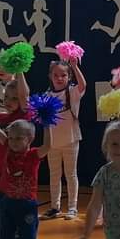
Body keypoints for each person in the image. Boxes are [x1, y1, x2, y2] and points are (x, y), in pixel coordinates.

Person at [0, 83, 29, 239]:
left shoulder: (22, 117)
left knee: (16, 209)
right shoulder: (0, 118)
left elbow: (5, 140)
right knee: (3, 209)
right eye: (6, 97)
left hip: (15, 171)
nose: (9, 101)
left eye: (14, 98)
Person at [43, 57, 86, 219]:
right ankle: (55, 207)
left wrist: (74, 66)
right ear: (50, 76)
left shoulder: (72, 92)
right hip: (52, 143)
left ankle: (72, 207)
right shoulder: (46, 96)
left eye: (63, 75)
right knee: (54, 175)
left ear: (69, 77)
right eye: (56, 75)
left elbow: (83, 85)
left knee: (71, 174)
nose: (59, 78)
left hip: (71, 139)